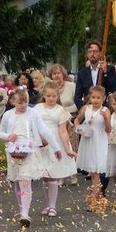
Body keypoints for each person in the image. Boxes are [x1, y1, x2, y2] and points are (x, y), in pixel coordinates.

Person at [0, 86, 61, 226]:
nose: (23, 105)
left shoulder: (33, 113)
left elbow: (44, 130)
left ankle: (25, 213)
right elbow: (0, 133)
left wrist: (56, 147)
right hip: (14, 151)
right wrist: (8, 136)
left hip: (29, 150)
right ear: (13, 102)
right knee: (18, 180)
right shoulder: (8, 115)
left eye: (26, 102)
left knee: (25, 180)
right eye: (20, 103)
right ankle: (22, 208)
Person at [34, 81, 78, 214]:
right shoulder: (37, 109)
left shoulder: (60, 110)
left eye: (54, 96)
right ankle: (48, 205)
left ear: (58, 96)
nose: (51, 98)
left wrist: (67, 149)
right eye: (48, 96)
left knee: (53, 175)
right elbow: (33, 126)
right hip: (41, 142)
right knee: (45, 175)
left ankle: (52, 206)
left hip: (55, 143)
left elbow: (63, 131)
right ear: (44, 95)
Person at [74, 86, 112, 200]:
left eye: (98, 98)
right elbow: (77, 119)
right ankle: (97, 196)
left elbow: (108, 129)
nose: (95, 100)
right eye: (93, 97)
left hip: (99, 141)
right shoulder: (86, 108)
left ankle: (96, 196)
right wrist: (78, 127)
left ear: (103, 98)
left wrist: (106, 119)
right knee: (92, 171)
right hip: (88, 139)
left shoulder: (105, 110)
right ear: (89, 97)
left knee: (97, 170)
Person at [73, 40, 116, 111]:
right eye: (90, 52)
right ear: (87, 54)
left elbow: (113, 89)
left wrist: (105, 72)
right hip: (88, 110)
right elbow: (77, 97)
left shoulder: (109, 69)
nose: (92, 54)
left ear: (100, 53)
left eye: (95, 51)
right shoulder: (82, 73)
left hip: (104, 110)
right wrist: (85, 109)